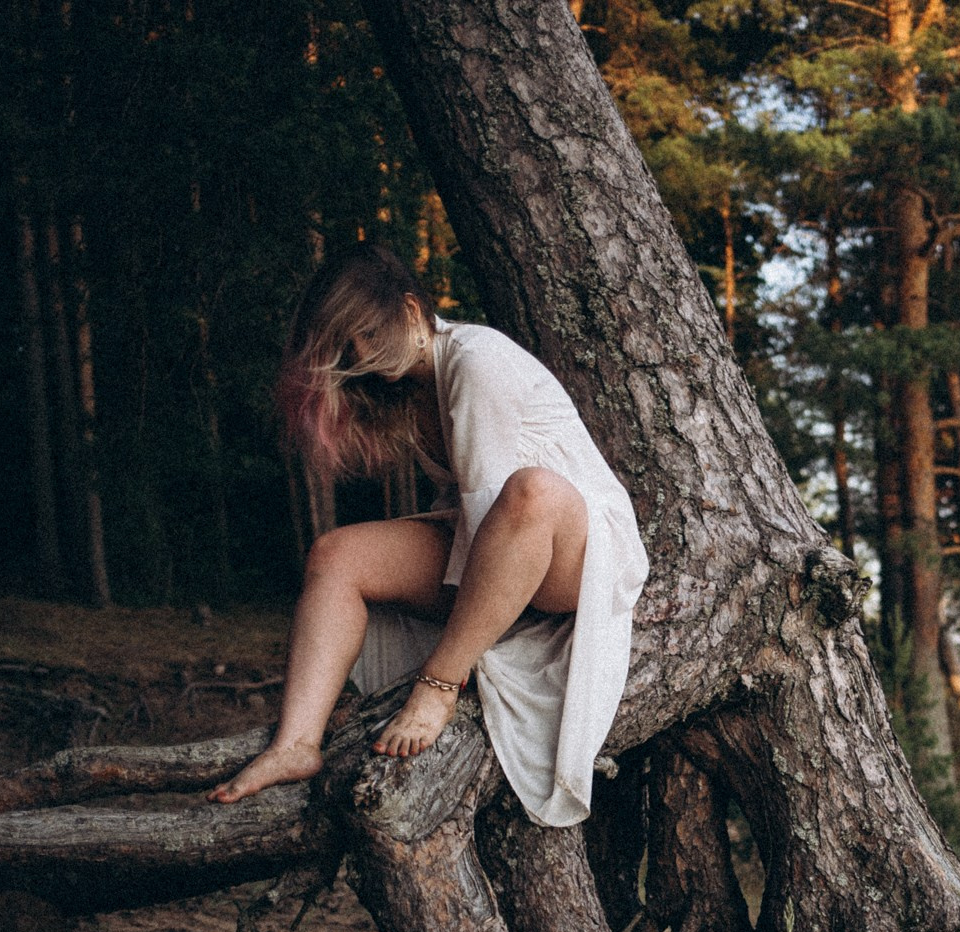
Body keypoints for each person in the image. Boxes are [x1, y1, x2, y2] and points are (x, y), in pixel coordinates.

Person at [210, 243, 648, 826]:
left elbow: (498, 507)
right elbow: (470, 513)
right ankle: (296, 743)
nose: (362, 355)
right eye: (348, 347)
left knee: (532, 491)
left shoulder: (477, 359)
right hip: (496, 544)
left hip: (576, 552)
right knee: (335, 555)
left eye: (370, 333)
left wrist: (445, 659)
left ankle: (440, 681)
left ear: (412, 310)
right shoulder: (410, 391)